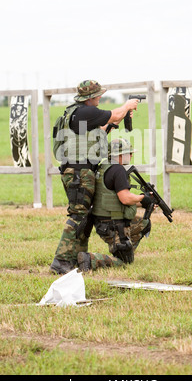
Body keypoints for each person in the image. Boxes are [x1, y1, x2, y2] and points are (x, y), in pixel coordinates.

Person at [50, 80, 140, 275]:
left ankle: (75, 257)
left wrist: (107, 128)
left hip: (78, 171)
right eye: (98, 95)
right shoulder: (84, 112)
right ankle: (61, 260)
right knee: (78, 215)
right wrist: (127, 106)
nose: (100, 97)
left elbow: (90, 136)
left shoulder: (76, 113)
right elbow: (114, 115)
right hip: (79, 172)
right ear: (89, 98)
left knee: (84, 216)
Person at [77, 138, 153, 272]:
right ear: (119, 155)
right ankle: (91, 259)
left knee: (144, 223)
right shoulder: (118, 170)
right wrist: (143, 197)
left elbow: (113, 199)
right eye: (128, 152)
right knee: (124, 263)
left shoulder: (104, 167)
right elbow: (125, 199)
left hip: (102, 221)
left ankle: (124, 248)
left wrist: (143, 202)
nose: (131, 155)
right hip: (114, 225)